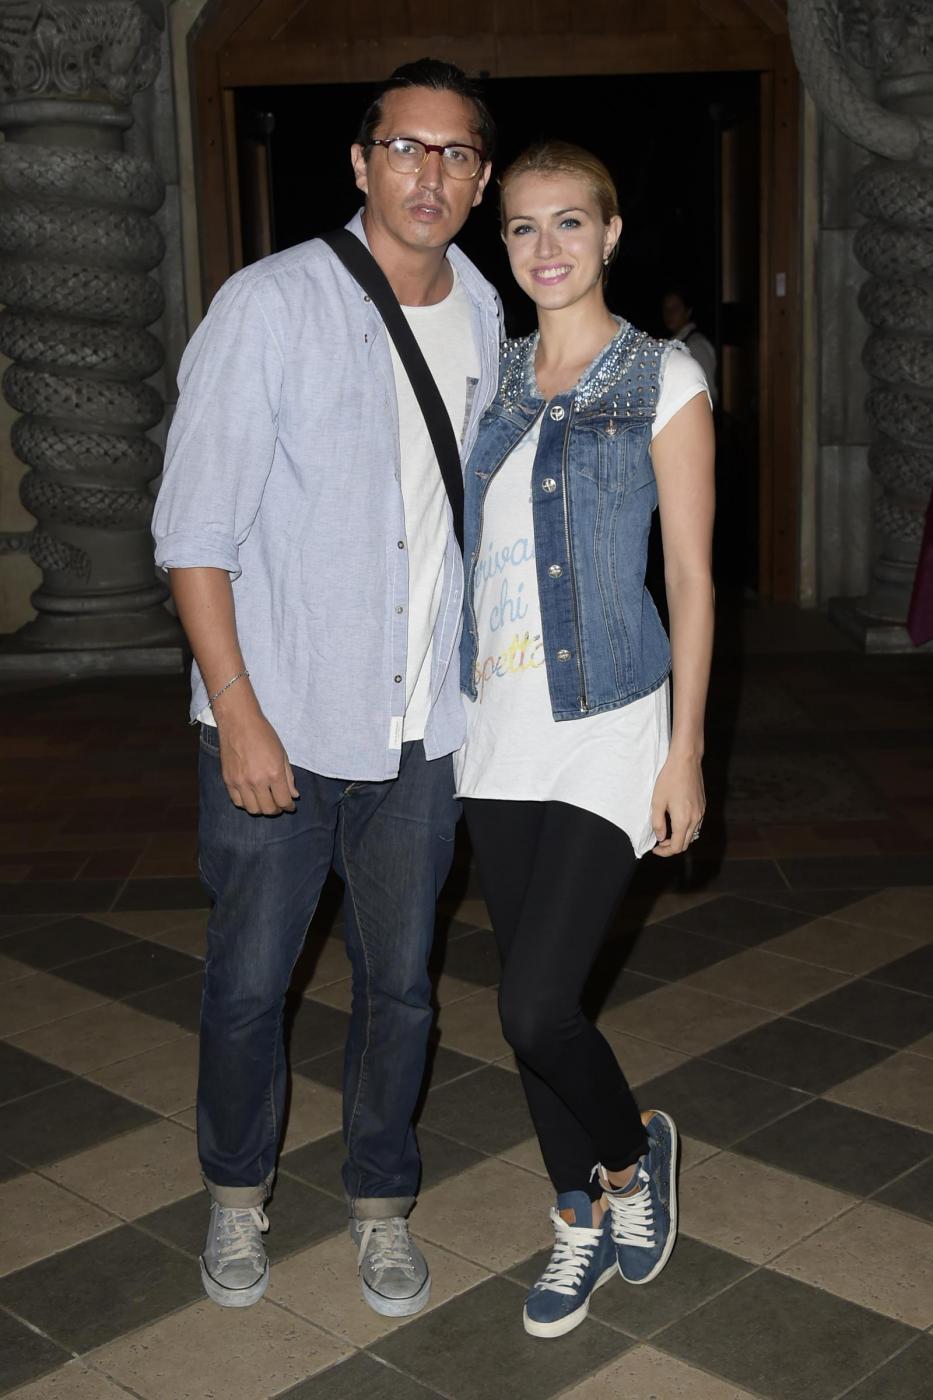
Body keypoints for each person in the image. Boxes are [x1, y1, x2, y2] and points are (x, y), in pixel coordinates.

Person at [152, 59, 500, 1316]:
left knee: (401, 987)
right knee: (250, 982)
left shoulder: (487, 311)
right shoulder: (270, 304)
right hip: (281, 720)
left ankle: (380, 1203)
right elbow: (194, 533)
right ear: (361, 162)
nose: (430, 173)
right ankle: (236, 1192)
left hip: (422, 732)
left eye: (456, 153)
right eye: (406, 146)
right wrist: (239, 712)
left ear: (481, 179)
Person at [456, 142, 715, 1338]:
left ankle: (629, 1164)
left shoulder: (664, 377)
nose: (546, 246)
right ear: (502, 243)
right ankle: (577, 1216)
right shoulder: (494, 379)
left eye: (570, 221)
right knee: (529, 1003)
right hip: (495, 729)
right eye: (522, 226)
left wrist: (686, 749)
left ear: (610, 233)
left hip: (610, 718)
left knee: (534, 1004)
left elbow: (693, 578)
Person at [661, 286, 718, 406]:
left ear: (688, 311)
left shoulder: (696, 344)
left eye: (675, 308)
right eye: (666, 309)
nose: (669, 313)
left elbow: (709, 393)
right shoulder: (671, 342)